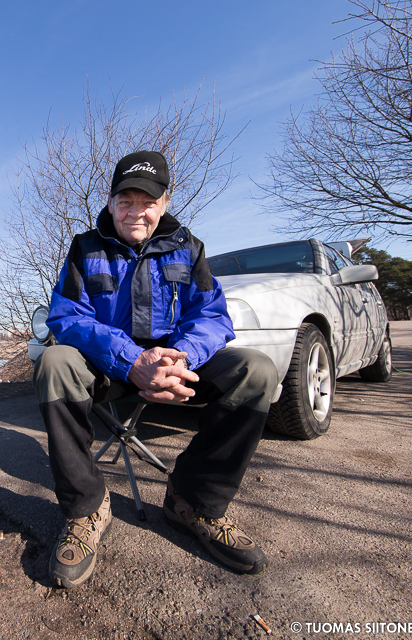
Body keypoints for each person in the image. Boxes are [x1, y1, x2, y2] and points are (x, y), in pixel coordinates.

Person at [33, 150, 279, 589]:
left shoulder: (189, 247)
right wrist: (132, 360)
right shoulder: (85, 247)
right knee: (54, 362)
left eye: (146, 202)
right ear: (111, 203)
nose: (135, 212)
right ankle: (86, 508)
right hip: (108, 366)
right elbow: (67, 318)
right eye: (125, 201)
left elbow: (212, 317)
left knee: (256, 370)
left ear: (164, 203)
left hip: (176, 364)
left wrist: (178, 359)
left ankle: (194, 502)